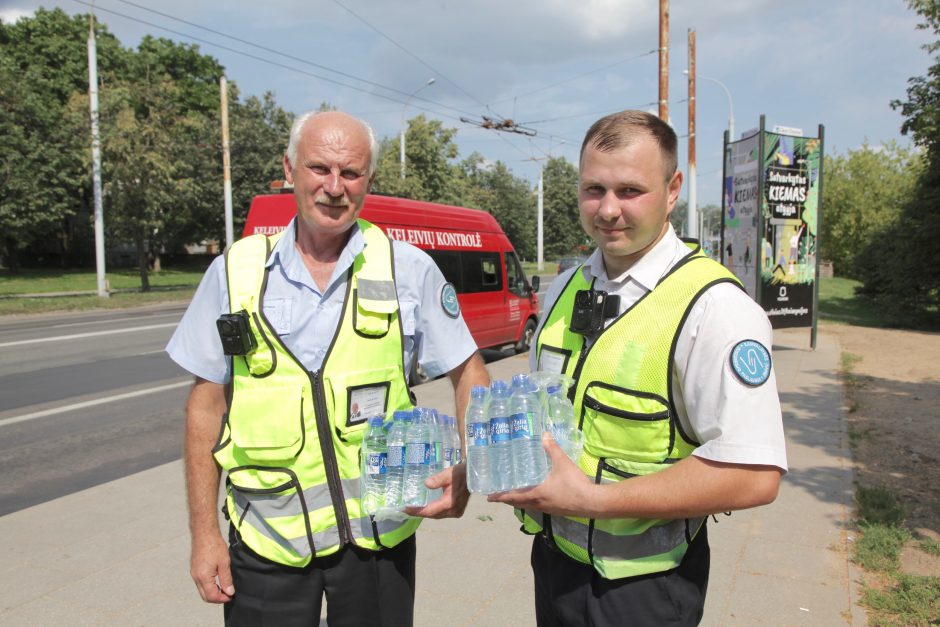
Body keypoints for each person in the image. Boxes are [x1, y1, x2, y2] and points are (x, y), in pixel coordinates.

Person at [166, 110, 488, 626]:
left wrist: (471, 469)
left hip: (379, 538)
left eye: (351, 173)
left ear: (369, 181)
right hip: (266, 540)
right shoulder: (236, 269)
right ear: (289, 170)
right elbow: (205, 405)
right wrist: (204, 535)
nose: (334, 187)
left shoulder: (407, 268)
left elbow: (470, 371)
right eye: (319, 168)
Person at [488, 110, 787, 626]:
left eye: (630, 191)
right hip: (555, 566)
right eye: (593, 189)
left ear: (672, 190)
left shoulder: (715, 309)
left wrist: (594, 500)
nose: (607, 210)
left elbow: (754, 474)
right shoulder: (564, 289)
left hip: (646, 590)